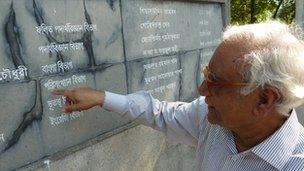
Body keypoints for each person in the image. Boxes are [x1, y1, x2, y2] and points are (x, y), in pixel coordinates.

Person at [52, 21, 304, 170]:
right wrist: (101, 97)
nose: (202, 90)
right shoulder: (211, 118)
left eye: (216, 82)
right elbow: (160, 114)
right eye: (207, 73)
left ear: (264, 100)